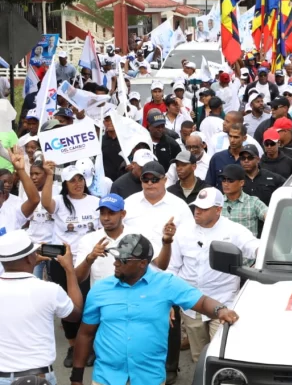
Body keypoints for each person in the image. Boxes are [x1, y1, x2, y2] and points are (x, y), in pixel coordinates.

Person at [69, 234, 240, 385]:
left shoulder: (167, 284)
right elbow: (86, 333)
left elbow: (201, 302)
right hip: (107, 377)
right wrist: (76, 377)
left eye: (123, 260)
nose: (116, 263)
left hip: (149, 377)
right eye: (116, 258)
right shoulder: (100, 289)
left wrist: (220, 310)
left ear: (142, 263)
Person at [169, 188, 259, 363]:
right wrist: (169, 300)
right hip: (191, 304)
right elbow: (172, 267)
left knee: (221, 355)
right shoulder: (183, 231)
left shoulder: (233, 230)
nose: (197, 211)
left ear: (218, 209)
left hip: (223, 301)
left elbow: (253, 246)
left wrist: (262, 254)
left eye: (204, 209)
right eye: (196, 207)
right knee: (198, 358)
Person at [0, 233, 82, 385]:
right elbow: (75, 314)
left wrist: (28, 265)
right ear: (29, 258)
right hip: (38, 377)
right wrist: (69, 269)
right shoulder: (49, 290)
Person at [40, 161, 99, 368]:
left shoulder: (94, 202)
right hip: (63, 261)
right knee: (67, 306)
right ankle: (74, 345)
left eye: (80, 179)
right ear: (65, 184)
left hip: (88, 261)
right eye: (72, 180)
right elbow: (45, 202)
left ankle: (89, 345)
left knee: (88, 304)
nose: (77, 184)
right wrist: (48, 175)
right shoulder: (59, 201)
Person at [220, 164, 267, 236]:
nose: (225, 184)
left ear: (241, 183)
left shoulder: (253, 202)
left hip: (246, 246)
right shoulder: (216, 202)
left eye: (230, 180)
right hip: (221, 246)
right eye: (224, 180)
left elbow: (269, 216)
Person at [205, 122, 248, 191]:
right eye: (230, 136)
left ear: (244, 138)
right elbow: (209, 184)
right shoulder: (217, 158)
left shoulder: (249, 159)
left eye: (236, 137)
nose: (232, 140)